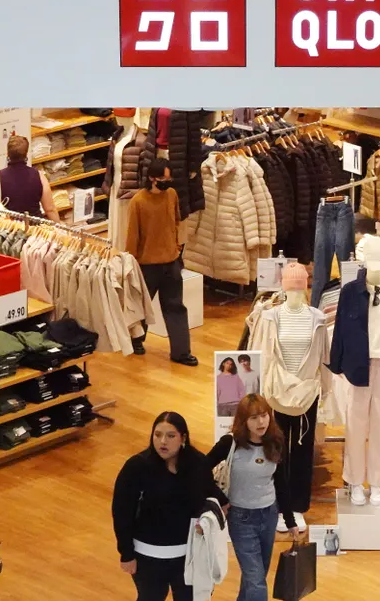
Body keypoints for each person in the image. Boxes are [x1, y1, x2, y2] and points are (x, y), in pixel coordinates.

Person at [112, 412, 228, 601]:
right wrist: (126, 553)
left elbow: (214, 497)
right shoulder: (136, 467)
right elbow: (121, 512)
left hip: (188, 555)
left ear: (183, 438)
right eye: (157, 435)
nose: (162, 441)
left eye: (170, 436)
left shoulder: (197, 463)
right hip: (147, 557)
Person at [206, 395, 299, 601]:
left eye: (264, 415)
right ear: (244, 420)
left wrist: (290, 520)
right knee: (257, 582)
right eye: (254, 417)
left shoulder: (276, 441)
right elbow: (201, 470)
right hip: (241, 519)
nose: (261, 422)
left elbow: (282, 482)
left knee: (255, 577)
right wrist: (220, 498)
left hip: (269, 515)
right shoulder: (229, 443)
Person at [126, 158, 198, 366]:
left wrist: (176, 247)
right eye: (162, 178)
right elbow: (132, 236)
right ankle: (136, 340)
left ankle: (181, 352)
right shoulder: (138, 202)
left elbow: (175, 221)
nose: (166, 182)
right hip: (146, 265)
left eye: (168, 178)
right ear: (151, 178)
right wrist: (131, 263)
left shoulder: (172, 195)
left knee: (175, 307)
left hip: (171, 262)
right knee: (141, 306)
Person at [0, 135, 59, 221]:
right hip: (35, 229)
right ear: (26, 154)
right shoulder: (39, 176)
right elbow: (50, 209)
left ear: (7, 154)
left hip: (9, 229)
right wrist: (60, 230)